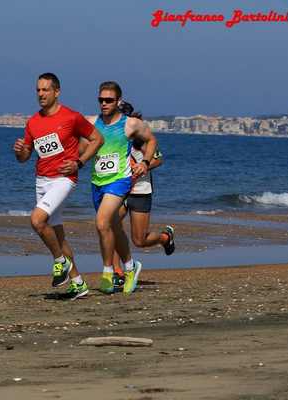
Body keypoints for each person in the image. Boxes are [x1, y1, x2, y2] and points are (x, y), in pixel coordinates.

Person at [14, 73, 103, 300]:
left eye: (45, 90)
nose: (41, 94)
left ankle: (59, 261)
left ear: (57, 92)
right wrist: (20, 151)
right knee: (59, 237)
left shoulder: (72, 117)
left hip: (64, 179)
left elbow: (97, 140)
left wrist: (79, 162)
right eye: (38, 90)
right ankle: (78, 283)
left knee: (37, 220)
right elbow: (24, 157)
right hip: (41, 181)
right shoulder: (33, 121)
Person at [90, 81, 158, 295]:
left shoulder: (131, 124)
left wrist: (145, 163)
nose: (104, 104)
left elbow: (152, 140)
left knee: (102, 223)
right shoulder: (92, 122)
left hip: (120, 182)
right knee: (113, 226)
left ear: (118, 101)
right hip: (98, 182)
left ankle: (108, 272)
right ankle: (130, 267)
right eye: (101, 100)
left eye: (108, 100)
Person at [110, 102, 175, 290]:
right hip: (119, 190)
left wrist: (144, 166)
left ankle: (164, 237)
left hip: (141, 190)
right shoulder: (110, 136)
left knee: (139, 240)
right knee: (111, 225)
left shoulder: (142, 135)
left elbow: (159, 159)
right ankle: (118, 272)